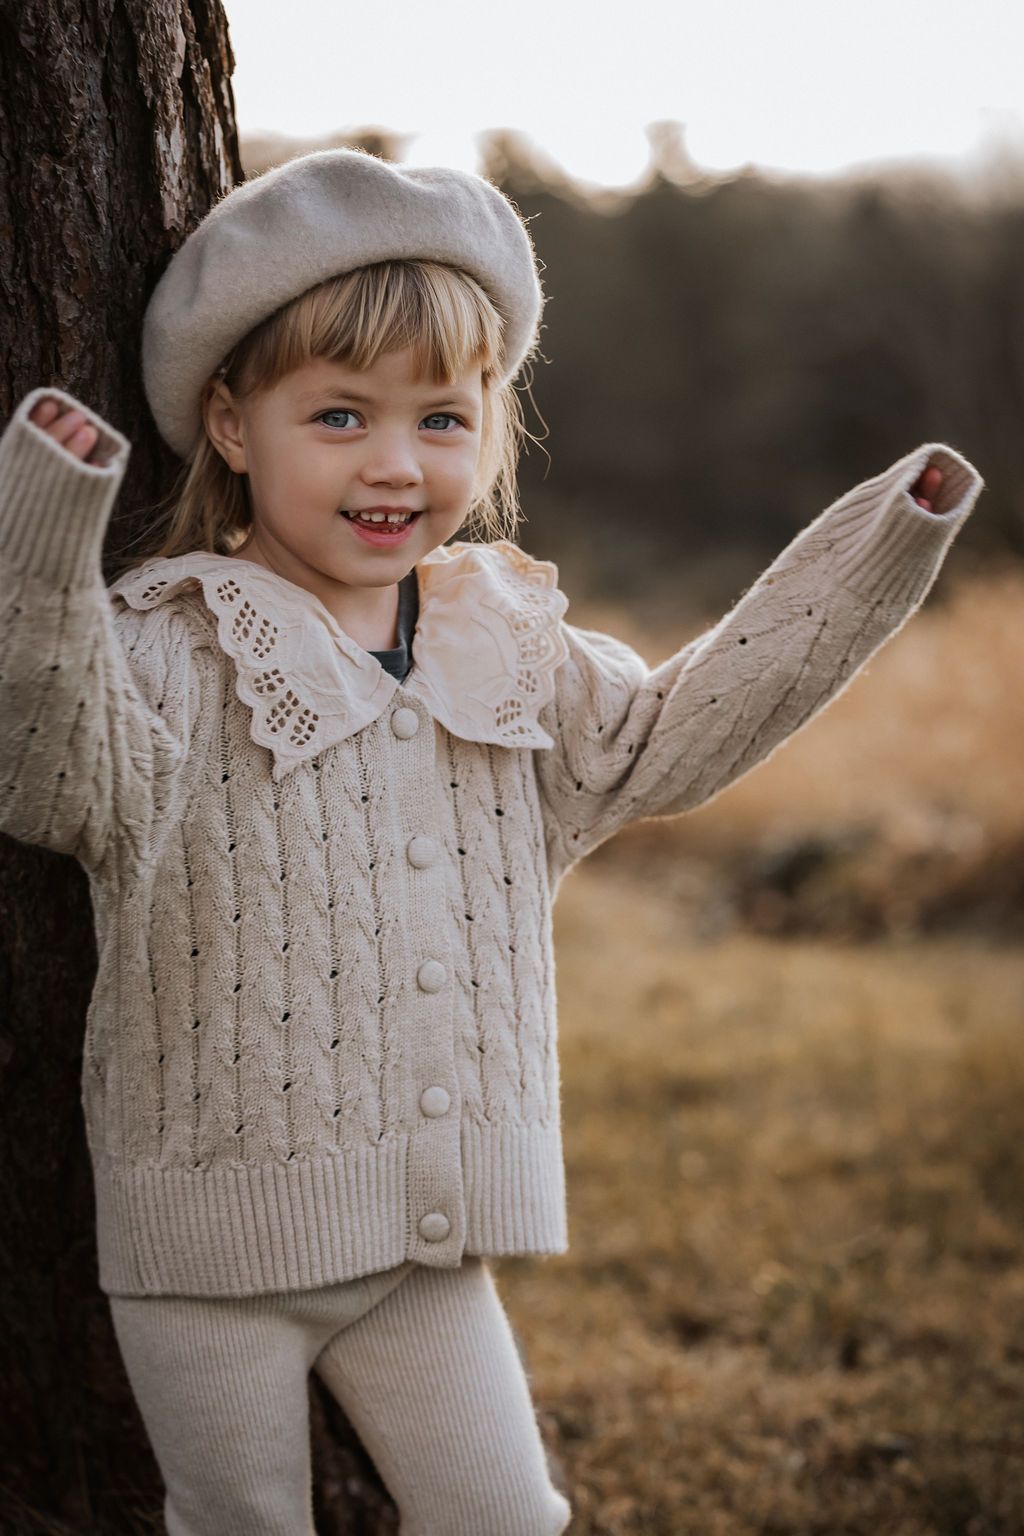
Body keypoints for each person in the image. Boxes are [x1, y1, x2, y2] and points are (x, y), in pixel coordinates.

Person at [0, 147, 983, 1536]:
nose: (396, 465)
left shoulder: (507, 650)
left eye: (443, 421)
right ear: (231, 424)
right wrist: (41, 524)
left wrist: (884, 542)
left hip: (426, 1250)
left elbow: (683, 729)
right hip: (205, 1253)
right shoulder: (171, 646)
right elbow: (43, 764)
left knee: (508, 1519)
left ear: (492, 426)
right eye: (338, 417)